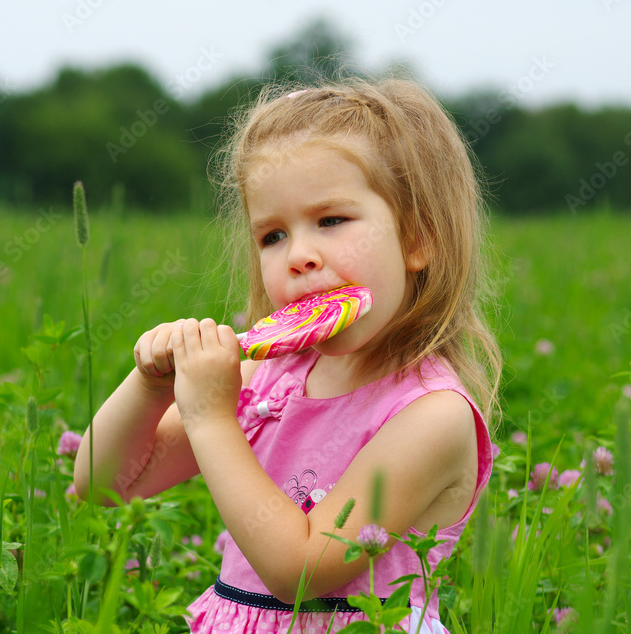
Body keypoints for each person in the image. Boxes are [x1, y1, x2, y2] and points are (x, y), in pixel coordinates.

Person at [75, 77, 502, 633]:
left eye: (331, 220)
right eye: (272, 235)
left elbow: (299, 571)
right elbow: (104, 484)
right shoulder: (269, 376)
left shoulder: (430, 414)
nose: (298, 254)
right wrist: (152, 386)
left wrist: (210, 417)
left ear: (417, 239)